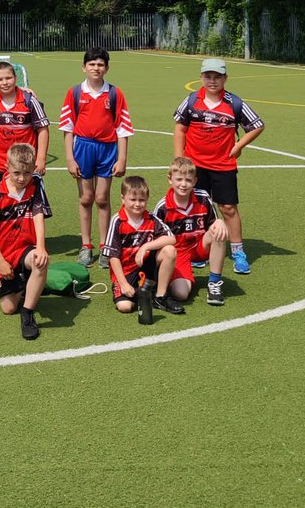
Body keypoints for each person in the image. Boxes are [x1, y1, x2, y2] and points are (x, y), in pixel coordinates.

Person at [173, 57, 264, 275]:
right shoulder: (192, 100)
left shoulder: (234, 103)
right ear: (201, 77)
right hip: (195, 167)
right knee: (197, 208)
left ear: (225, 78)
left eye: (217, 77)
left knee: (228, 208)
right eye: (208, 76)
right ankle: (198, 251)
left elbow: (257, 125)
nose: (212, 81)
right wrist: (180, 160)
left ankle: (238, 251)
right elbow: (180, 128)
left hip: (223, 165)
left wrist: (238, 146)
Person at [59, 47, 133, 269]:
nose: (96, 68)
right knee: (85, 198)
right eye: (91, 64)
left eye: (100, 64)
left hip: (107, 149)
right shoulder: (74, 93)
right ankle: (86, 246)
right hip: (82, 148)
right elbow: (67, 127)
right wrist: (70, 158)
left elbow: (123, 128)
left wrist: (122, 159)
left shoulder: (114, 93)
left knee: (102, 198)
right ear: (84, 67)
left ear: (107, 68)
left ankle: (104, 246)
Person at [0, 141, 51, 340]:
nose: (22, 178)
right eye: (17, 173)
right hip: (2, 254)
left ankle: (28, 314)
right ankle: (27, 283)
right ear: (7, 168)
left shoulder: (35, 185)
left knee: (40, 261)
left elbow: (38, 216)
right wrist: (1, 262)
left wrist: (41, 247)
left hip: (24, 249)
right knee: (8, 308)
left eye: (27, 173)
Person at [153, 157, 228, 307]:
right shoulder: (162, 207)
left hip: (199, 247)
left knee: (218, 230)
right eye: (179, 179)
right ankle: (169, 277)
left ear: (194, 181)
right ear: (170, 179)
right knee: (181, 294)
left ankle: (214, 283)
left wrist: (219, 222)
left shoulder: (203, 197)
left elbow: (213, 224)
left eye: (188, 180)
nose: (183, 184)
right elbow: (155, 241)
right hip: (178, 253)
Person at [104, 176, 182, 316]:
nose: (138, 204)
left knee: (169, 251)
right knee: (125, 306)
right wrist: (123, 284)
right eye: (133, 200)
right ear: (123, 199)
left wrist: (145, 247)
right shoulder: (117, 221)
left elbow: (171, 238)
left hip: (146, 265)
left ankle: (160, 296)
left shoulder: (151, 218)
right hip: (126, 271)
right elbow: (112, 256)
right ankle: (141, 292)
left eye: (142, 200)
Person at [0, 60, 50, 190]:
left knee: (27, 205)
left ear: (16, 78)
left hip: (26, 165)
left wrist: (41, 159)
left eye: (8, 78)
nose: (5, 82)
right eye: (0, 79)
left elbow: (43, 130)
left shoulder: (30, 101)